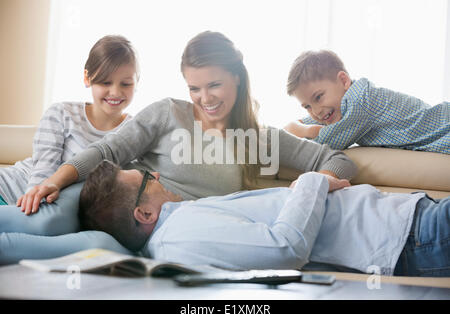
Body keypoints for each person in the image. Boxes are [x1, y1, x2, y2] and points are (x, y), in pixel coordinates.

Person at [17, 31, 357, 217]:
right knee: (44, 221)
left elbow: (339, 160)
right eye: (194, 88)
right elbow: (108, 149)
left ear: (237, 80)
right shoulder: (169, 113)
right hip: (119, 216)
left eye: (213, 85)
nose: (204, 98)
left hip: (173, 236)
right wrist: (54, 181)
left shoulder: (259, 138)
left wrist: (317, 182)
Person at [79, 160, 450, 277]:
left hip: (408, 220)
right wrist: (311, 181)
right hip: (410, 237)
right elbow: (284, 248)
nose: (157, 176)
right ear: (144, 213)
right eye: (147, 178)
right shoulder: (178, 237)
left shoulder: (180, 222)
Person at [0, 35, 137, 206]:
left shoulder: (136, 132)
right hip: (10, 191)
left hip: (55, 212)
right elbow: (41, 176)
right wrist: (34, 212)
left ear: (137, 82)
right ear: (87, 78)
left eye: (125, 84)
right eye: (105, 82)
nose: (115, 92)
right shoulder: (61, 114)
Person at [284, 50, 450, 153]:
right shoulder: (337, 107)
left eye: (318, 97)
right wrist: (297, 127)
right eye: (307, 106)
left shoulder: (361, 101)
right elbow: (293, 127)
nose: (316, 111)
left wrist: (306, 131)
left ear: (343, 81)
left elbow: (327, 142)